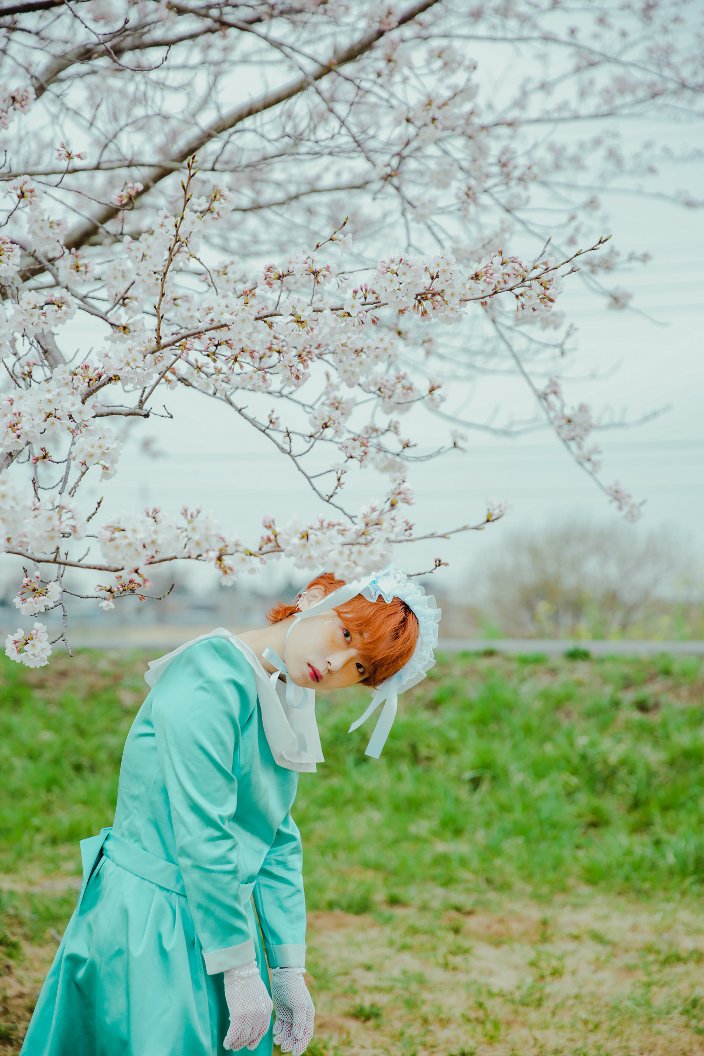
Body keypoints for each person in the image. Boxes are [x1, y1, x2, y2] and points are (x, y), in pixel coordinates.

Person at [19, 562, 441, 1056]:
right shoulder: (212, 672)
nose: (336, 664)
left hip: (220, 921)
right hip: (154, 918)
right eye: (345, 634)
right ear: (312, 599)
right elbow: (203, 829)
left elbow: (277, 837)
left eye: (360, 668)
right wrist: (238, 967)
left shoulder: (282, 694)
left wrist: (287, 966)